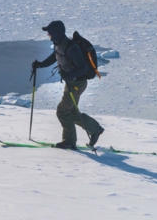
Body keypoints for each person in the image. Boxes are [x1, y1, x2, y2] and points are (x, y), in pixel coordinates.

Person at [32, 20, 104, 150]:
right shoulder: (59, 44)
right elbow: (55, 57)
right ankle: (95, 129)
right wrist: (40, 64)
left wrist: (69, 75)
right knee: (71, 111)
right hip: (72, 82)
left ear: (56, 33)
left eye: (50, 33)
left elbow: (83, 68)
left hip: (77, 83)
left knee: (63, 111)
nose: (48, 35)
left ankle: (69, 141)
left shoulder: (72, 48)